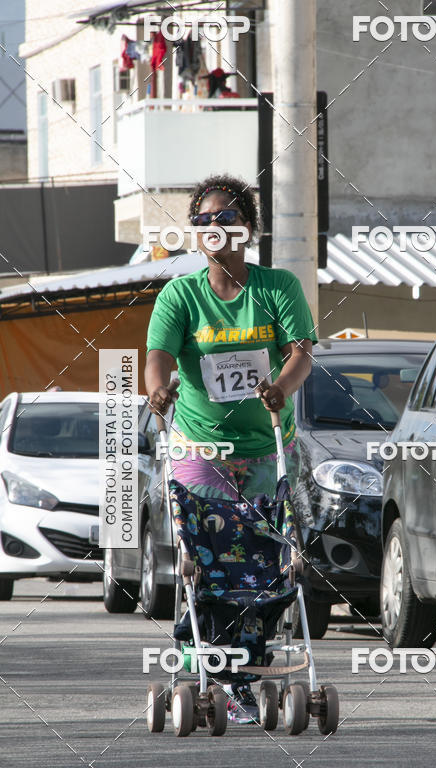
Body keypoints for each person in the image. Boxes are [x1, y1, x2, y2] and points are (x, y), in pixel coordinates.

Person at [145, 173, 316, 723]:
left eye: (225, 219)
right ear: (195, 234)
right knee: (206, 559)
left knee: (263, 564)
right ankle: (209, 672)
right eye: (203, 221)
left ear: (248, 228)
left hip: (267, 448)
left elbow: (301, 353)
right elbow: (159, 355)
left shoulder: (276, 288)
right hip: (200, 450)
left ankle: (254, 669)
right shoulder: (181, 294)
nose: (214, 228)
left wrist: (279, 387)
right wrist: (157, 387)